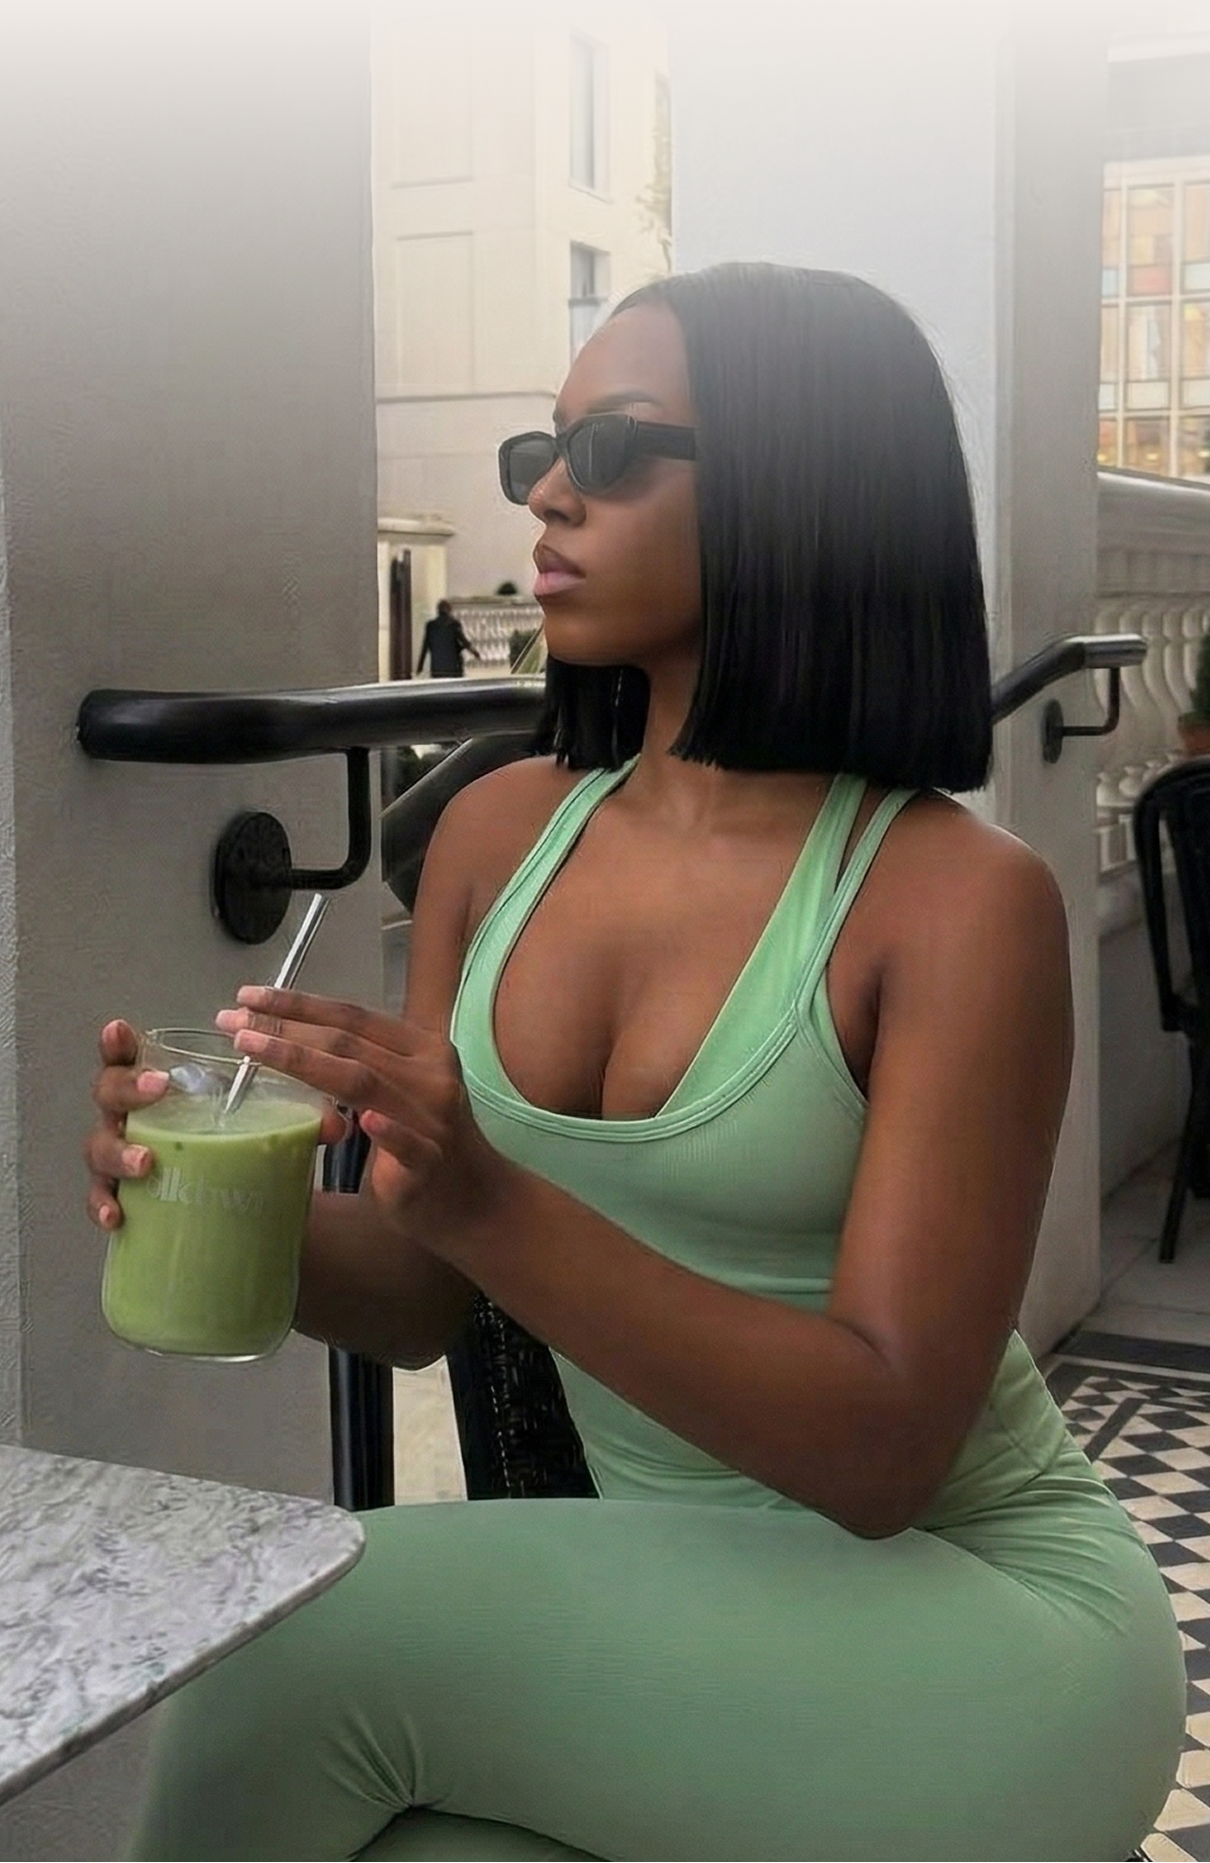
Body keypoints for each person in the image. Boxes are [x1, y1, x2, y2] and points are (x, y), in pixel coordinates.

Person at [85, 263, 1184, 1862]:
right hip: (680, 1601)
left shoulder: (955, 899)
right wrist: (196, 1191)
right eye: (539, 451)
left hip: (978, 1619)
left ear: (800, 488)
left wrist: (490, 1203)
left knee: (292, 1635)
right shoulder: (494, 831)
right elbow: (420, 1293)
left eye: (607, 451)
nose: (545, 494)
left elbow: (885, 1447)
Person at [416, 598, 482, 678]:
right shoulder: (454, 625)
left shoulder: (431, 626)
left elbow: (425, 647)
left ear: (438, 611)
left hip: (437, 668)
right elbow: (464, 641)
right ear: (450, 610)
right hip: (453, 668)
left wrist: (420, 666)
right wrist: (475, 652)